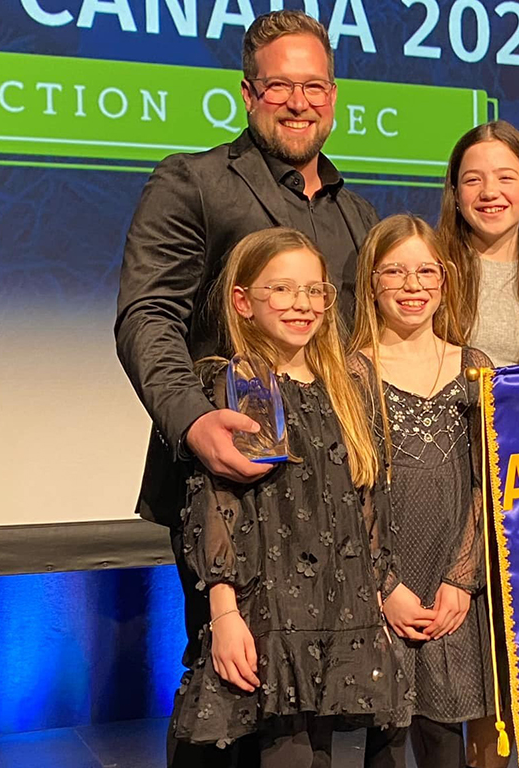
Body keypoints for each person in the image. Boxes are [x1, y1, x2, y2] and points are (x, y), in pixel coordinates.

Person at [113, 11, 379, 765]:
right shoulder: (192, 183)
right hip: (231, 487)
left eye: (314, 86)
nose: (299, 101)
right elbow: (147, 315)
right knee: (231, 694)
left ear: (333, 97)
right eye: (280, 86)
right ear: (247, 93)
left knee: (312, 707)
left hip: (327, 502)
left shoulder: (357, 216)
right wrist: (194, 422)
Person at [170, 227, 408, 766]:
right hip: (269, 613)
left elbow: (366, 503)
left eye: (314, 290)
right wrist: (224, 613)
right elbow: (217, 507)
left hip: (341, 610)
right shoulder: (236, 384)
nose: (302, 304)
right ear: (243, 301)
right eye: (281, 289)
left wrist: (374, 595)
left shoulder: (349, 381)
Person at [349, 215, 498, 767]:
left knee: (443, 739)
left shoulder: (474, 368)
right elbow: (349, 491)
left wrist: (462, 579)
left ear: (445, 279)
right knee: (385, 741)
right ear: (371, 282)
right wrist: (385, 584)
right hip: (384, 583)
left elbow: (489, 481)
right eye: (395, 272)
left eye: (425, 271)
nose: (412, 286)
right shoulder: (352, 372)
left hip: (451, 581)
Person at [437, 121, 519, 367]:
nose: (489, 192)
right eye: (473, 180)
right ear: (455, 194)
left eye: (505, 178)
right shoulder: (431, 273)